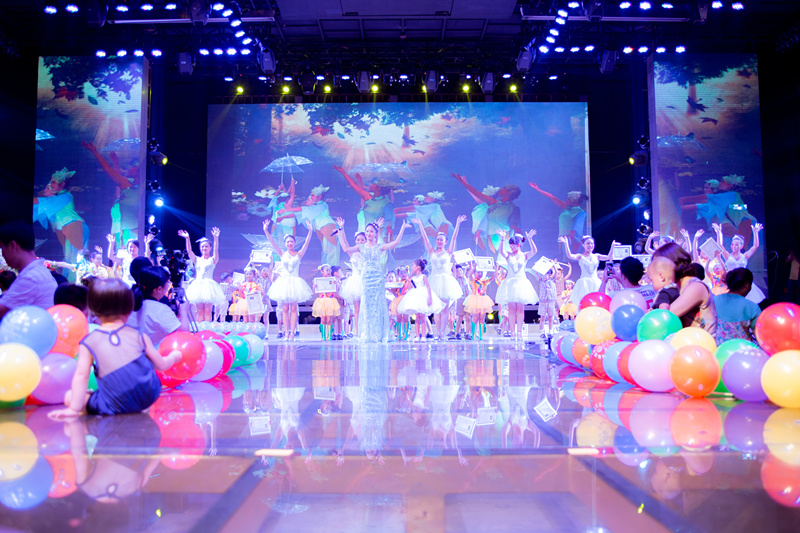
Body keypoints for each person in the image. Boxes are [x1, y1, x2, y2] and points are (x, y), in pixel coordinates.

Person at [47, 278, 182, 419]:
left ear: (93, 309)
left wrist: (74, 409)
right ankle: (136, 406)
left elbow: (81, 376)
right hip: (148, 397)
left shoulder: (89, 341)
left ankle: (119, 406)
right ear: (129, 309)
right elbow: (161, 365)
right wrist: (174, 357)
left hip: (113, 404)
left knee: (70, 396)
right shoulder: (139, 335)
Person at [335, 217, 411, 343]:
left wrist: (402, 228)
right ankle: (367, 334)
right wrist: (340, 231)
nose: (369, 233)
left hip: (377, 278)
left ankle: (380, 334)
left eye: (371, 231)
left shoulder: (380, 247)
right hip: (366, 279)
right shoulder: (360, 247)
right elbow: (346, 249)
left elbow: (395, 243)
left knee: (378, 305)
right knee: (367, 305)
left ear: (375, 233)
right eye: (367, 231)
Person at [411, 214, 467, 340]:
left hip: (446, 282)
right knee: (436, 309)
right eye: (437, 239)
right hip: (434, 281)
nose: (439, 241)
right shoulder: (431, 251)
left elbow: (454, 237)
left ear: (445, 242)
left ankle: (442, 332)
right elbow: (425, 239)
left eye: (441, 240)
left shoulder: (448, 252)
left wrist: (458, 223)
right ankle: (437, 332)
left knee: (445, 309)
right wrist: (420, 225)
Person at [263, 219, 315, 341]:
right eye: (288, 242)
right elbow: (272, 242)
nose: (290, 243)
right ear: (285, 243)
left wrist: (310, 231)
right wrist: (266, 230)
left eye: (291, 241)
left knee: (294, 308)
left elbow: (307, 243)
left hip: (295, 283)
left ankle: (292, 333)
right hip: (284, 283)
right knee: (285, 309)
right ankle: (286, 333)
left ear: (294, 243)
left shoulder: (299, 254)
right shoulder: (282, 253)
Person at [652, 243, 717, 334]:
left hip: (702, 342)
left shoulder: (695, 287)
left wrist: (653, 314)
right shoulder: (679, 287)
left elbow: (664, 318)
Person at [451, 172, 522, 254]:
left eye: (504, 188)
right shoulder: (493, 202)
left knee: (503, 259)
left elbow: (515, 226)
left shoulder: (513, 208)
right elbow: (476, 193)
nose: (501, 189)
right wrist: (463, 182)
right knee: (491, 258)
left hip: (504, 237)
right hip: (491, 238)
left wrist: (519, 239)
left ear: (509, 193)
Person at [0, 220, 58, 318]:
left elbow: (2, 310)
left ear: (12, 245)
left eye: (2, 248)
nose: (2, 254)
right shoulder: (38, 271)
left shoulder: (30, 277)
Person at [278, 181, 341, 267]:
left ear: (319, 196)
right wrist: (283, 217)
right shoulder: (314, 207)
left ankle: (332, 268)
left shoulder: (322, 205)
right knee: (325, 250)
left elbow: (302, 209)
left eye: (312, 195)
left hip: (329, 228)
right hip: (322, 229)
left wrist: (285, 210)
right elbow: (299, 213)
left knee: (331, 250)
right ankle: (325, 268)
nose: (311, 197)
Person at [32, 167, 88, 262]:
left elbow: (39, 201)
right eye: (50, 182)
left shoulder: (65, 196)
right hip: (66, 229)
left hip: (75, 226)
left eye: (53, 182)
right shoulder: (54, 202)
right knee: (69, 258)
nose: (50, 185)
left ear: (62, 184)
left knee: (75, 258)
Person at [127, 265, 191, 346]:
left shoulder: (129, 304)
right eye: (167, 283)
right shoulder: (160, 309)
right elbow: (183, 334)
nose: (168, 286)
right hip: (152, 352)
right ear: (159, 289)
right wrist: (183, 311)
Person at [495, 229, 539, 340]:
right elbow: (501, 251)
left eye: (513, 245)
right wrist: (502, 239)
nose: (511, 247)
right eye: (510, 245)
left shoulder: (524, 255)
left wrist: (530, 239)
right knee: (511, 310)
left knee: (520, 309)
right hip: (510, 283)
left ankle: (519, 332)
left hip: (521, 283)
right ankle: (512, 332)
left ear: (518, 244)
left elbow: (534, 251)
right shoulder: (509, 255)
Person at [180, 227, 225, 322]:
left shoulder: (213, 259)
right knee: (199, 311)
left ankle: (207, 329)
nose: (204, 248)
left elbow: (216, 251)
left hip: (209, 287)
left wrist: (216, 238)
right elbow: (189, 251)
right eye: (202, 247)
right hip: (198, 286)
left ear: (210, 248)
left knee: (208, 311)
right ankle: (200, 329)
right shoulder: (196, 259)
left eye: (206, 246)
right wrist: (187, 238)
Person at [560, 235, 619, 308]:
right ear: (583, 245)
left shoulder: (597, 256)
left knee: (597, 301)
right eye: (588, 243)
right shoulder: (580, 256)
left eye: (592, 243)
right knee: (584, 302)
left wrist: (612, 246)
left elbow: (609, 257)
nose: (590, 245)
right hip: (584, 283)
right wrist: (566, 244)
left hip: (595, 282)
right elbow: (570, 256)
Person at [714, 222, 765, 304]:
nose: (734, 246)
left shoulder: (745, 256)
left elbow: (755, 246)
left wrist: (755, 232)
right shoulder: (727, 256)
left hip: (743, 282)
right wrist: (719, 232)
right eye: (732, 244)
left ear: (741, 246)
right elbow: (720, 245)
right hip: (732, 282)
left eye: (737, 245)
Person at [528, 182, 588, 250]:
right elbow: (551, 196)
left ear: (573, 201)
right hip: (562, 239)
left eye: (568, 199)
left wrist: (574, 243)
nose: (566, 200)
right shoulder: (566, 207)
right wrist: (538, 189)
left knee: (569, 256)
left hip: (572, 242)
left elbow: (576, 231)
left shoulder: (580, 213)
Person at [397, 258, 445, 342]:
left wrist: (430, 298)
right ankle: (417, 335)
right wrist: (410, 280)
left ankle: (423, 335)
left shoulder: (423, 276)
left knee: (423, 317)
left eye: (413, 265)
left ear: (418, 267)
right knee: (417, 317)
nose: (412, 267)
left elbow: (428, 287)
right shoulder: (413, 278)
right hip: (416, 297)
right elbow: (409, 288)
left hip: (423, 296)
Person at [715, 268, 762, 344]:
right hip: (742, 349)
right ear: (747, 285)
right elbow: (760, 336)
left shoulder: (715, 300)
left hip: (717, 348)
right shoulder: (752, 307)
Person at [339, 231, 366, 337]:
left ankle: (365, 330)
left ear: (366, 241)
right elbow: (345, 244)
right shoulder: (352, 253)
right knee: (357, 309)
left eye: (362, 240)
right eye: (358, 240)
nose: (360, 241)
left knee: (365, 308)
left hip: (365, 282)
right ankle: (357, 331)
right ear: (355, 241)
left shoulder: (367, 253)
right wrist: (341, 231)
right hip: (355, 282)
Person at [464, 262, 494, 341]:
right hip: (475, 300)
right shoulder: (473, 280)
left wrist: (493, 270)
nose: (480, 274)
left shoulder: (484, 281)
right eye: (478, 272)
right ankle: (473, 335)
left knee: (482, 318)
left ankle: (481, 336)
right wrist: (474, 267)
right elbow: (469, 275)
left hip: (483, 300)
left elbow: (492, 279)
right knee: (475, 318)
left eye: (481, 272)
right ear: (474, 273)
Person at [312, 264, 341, 340]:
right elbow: (314, 293)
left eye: (329, 270)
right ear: (322, 271)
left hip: (330, 301)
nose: (329, 272)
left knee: (329, 319)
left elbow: (336, 292)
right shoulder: (318, 281)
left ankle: (329, 335)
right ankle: (323, 335)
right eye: (327, 270)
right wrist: (314, 287)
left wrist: (336, 285)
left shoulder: (332, 280)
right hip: (322, 301)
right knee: (323, 319)